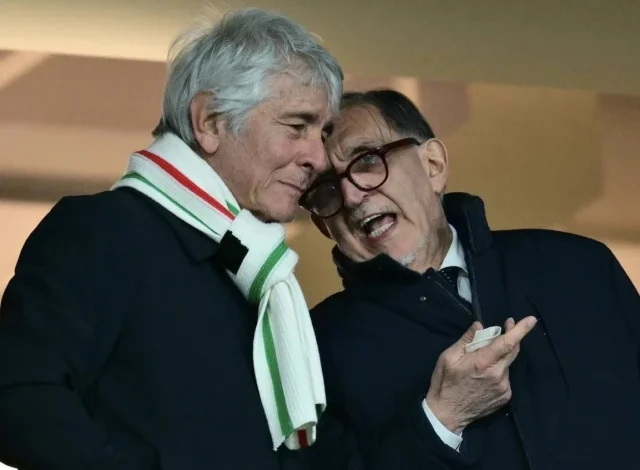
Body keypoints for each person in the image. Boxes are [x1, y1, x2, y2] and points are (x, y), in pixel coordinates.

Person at [0, 8, 342, 470]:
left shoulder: (254, 269)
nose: (319, 158)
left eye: (323, 133)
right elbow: (19, 397)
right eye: (297, 127)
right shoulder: (105, 230)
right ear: (210, 122)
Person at [299, 89, 640, 470]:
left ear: (433, 165)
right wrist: (441, 418)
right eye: (325, 188)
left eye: (366, 161)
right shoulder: (312, 348)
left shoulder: (579, 266)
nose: (350, 196)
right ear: (323, 226)